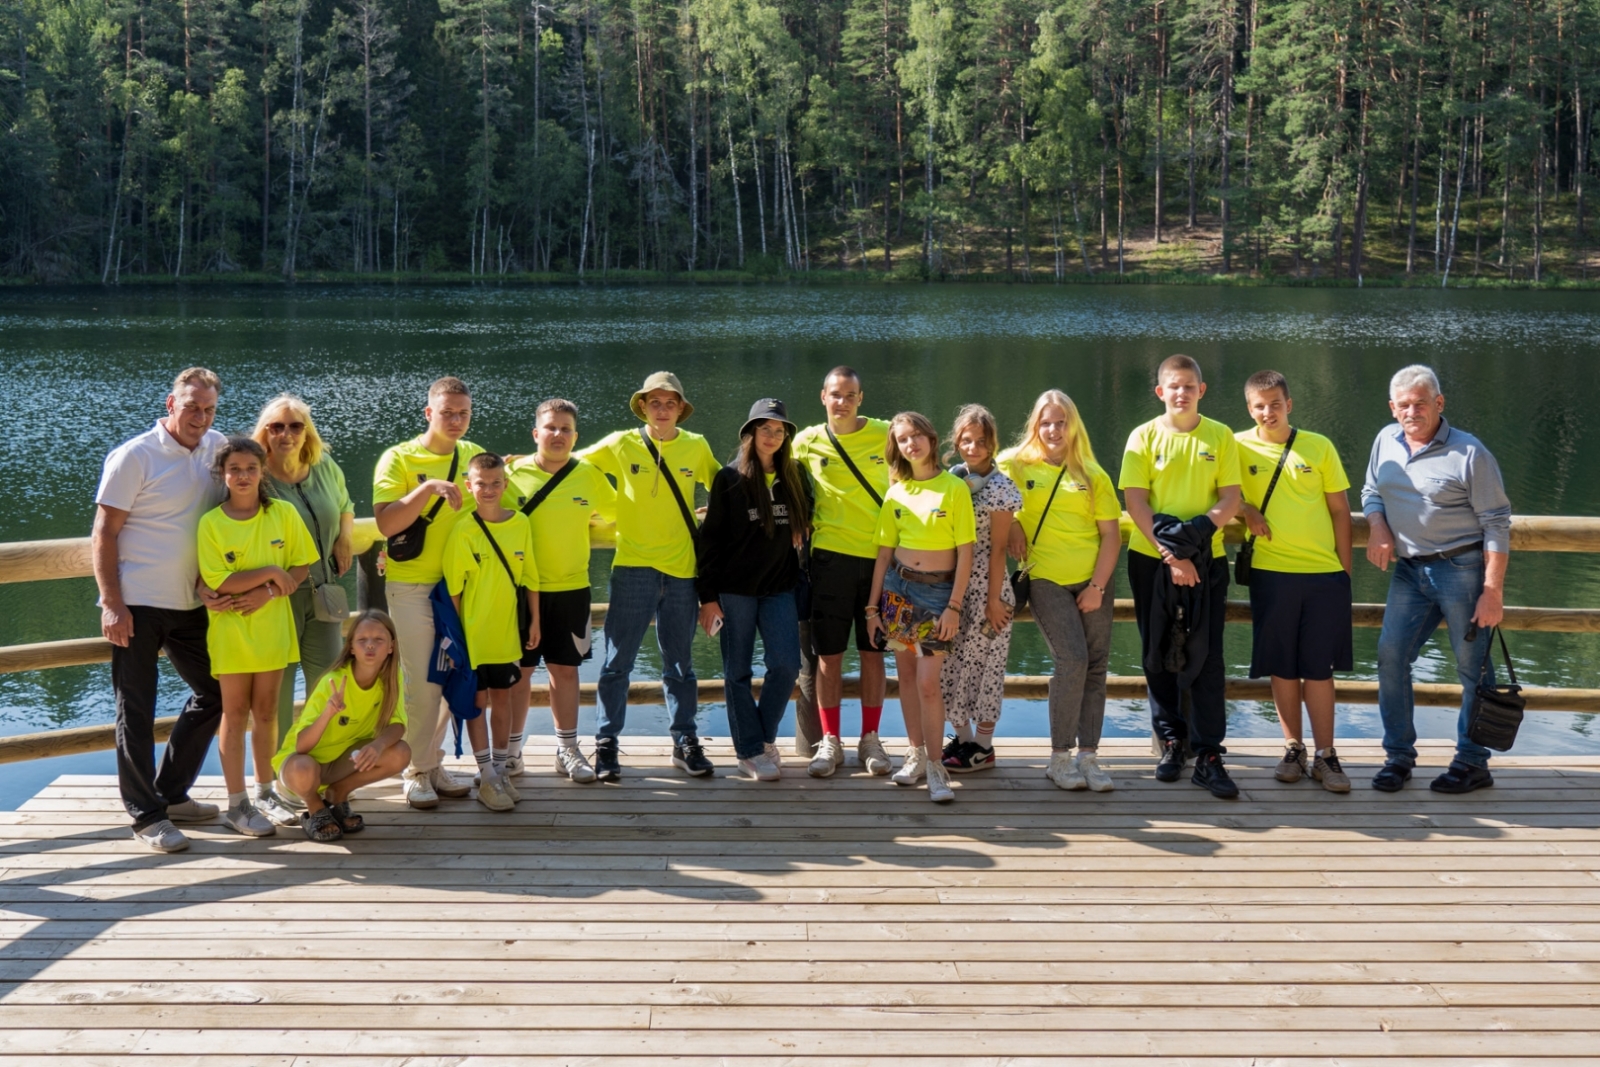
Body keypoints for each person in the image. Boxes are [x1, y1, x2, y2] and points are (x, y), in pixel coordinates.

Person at [93, 367, 229, 853]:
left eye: (209, 408)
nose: (200, 416)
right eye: (192, 405)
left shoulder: (218, 450)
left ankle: (171, 793)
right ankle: (146, 815)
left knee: (216, 691)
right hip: (139, 603)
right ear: (171, 404)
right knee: (136, 708)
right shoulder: (135, 455)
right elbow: (104, 533)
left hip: (193, 603)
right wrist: (112, 603)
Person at [1362, 364, 1511, 794]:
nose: (1412, 412)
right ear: (1393, 408)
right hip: (1408, 572)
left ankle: (1472, 761)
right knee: (1391, 658)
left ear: (1439, 404)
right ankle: (1398, 758)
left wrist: (1492, 590)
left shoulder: (1470, 453)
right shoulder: (1384, 440)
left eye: (1420, 404)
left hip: (1461, 570)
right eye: (1403, 405)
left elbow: (1497, 522)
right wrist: (1377, 525)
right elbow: (1371, 490)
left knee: (1473, 669)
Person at [577, 371, 720, 780]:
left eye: (670, 402)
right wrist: (586, 505)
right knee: (616, 663)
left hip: (681, 571)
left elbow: (725, 486)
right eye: (654, 402)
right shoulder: (621, 443)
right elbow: (571, 465)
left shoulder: (695, 446)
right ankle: (606, 743)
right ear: (643, 406)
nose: (662, 409)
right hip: (633, 568)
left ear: (680, 408)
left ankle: (685, 741)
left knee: (680, 664)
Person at [1120, 354, 1244, 799]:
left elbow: (1231, 498)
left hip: (1206, 559)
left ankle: (1209, 753)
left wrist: (1195, 539)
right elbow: (1136, 504)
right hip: (1151, 559)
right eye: (1174, 386)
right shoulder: (1142, 437)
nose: (1181, 393)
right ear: (1161, 391)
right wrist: (1171, 555)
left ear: (1201, 390)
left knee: (1206, 656)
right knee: (1157, 652)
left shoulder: (1220, 436)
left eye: (1189, 386)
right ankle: (1171, 741)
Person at [1235, 370, 1355, 793]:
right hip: (1271, 572)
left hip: (1324, 574)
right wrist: (1247, 509)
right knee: (1282, 667)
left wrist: (1344, 570)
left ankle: (1326, 755)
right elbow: (1221, 492)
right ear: (1249, 409)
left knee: (1319, 669)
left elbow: (1341, 510)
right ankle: (1293, 748)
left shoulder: (1319, 446)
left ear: (1290, 404)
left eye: (1275, 404)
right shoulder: (1235, 445)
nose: (1268, 412)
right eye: (1259, 406)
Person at [372, 377, 485, 809]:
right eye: (447, 413)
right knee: (421, 681)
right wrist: (426, 489)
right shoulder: (398, 458)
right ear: (428, 413)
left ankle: (432, 762)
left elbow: (506, 498)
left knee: (450, 673)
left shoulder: (473, 456)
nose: (456, 421)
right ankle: (415, 771)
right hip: (412, 585)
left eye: (464, 414)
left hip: (459, 589)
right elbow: (385, 524)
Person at [1000, 391, 1121, 792]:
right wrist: (1014, 523)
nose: (1053, 430)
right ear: (1035, 426)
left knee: (1096, 665)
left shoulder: (1093, 474)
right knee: (1072, 660)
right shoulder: (1016, 465)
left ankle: (1089, 756)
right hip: (1046, 578)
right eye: (1046, 423)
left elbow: (1110, 535)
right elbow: (975, 479)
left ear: (1074, 426)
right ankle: (1059, 757)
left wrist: (1098, 587)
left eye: (1061, 422)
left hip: (1093, 580)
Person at [197, 437, 318, 836]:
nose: (243, 476)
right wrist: (270, 572)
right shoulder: (211, 523)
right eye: (235, 469)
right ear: (222, 474)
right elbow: (218, 579)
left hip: (273, 628)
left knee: (267, 712)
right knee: (234, 714)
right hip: (231, 631)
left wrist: (268, 591)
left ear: (263, 472)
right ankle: (237, 804)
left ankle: (265, 792)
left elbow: (300, 566)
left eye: (251, 468)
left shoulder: (282, 513)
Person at [502, 399, 617, 784]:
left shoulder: (588, 475)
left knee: (564, 671)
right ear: (536, 433)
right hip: (519, 590)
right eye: (550, 428)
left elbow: (621, 513)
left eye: (565, 429)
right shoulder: (511, 474)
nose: (558, 435)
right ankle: (512, 751)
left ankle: (567, 748)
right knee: (519, 672)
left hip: (571, 587)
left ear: (575, 437)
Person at [696, 399, 811, 781]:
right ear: (750, 433)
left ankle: (761, 738)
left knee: (786, 665)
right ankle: (749, 751)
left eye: (779, 430)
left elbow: (807, 514)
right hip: (734, 591)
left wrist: (802, 523)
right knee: (737, 672)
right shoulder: (729, 480)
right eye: (766, 429)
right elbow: (710, 541)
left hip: (779, 587)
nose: (773, 436)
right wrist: (708, 596)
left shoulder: (794, 475)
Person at [865, 412, 976, 804]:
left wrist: (955, 606)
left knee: (929, 684)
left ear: (930, 438)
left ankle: (935, 764)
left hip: (937, 597)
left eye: (916, 436)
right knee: (908, 678)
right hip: (897, 593)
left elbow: (966, 554)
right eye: (903, 439)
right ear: (897, 447)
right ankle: (914, 754)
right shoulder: (896, 492)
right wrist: (872, 608)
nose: (911, 444)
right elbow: (883, 554)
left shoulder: (954, 488)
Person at [254, 394, 355, 822]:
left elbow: (346, 505)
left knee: (328, 687)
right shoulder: (255, 476)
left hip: (324, 592)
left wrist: (345, 536)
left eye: (295, 426)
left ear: (307, 432)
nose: (286, 434)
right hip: (275, 597)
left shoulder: (324, 467)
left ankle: (320, 775)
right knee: (274, 691)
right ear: (264, 432)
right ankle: (278, 783)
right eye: (276, 427)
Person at [792, 367, 894, 778]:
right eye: (836, 394)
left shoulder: (887, 434)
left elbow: (928, 471)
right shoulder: (805, 442)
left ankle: (870, 739)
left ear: (860, 398)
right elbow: (768, 475)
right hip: (829, 561)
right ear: (823, 397)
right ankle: (830, 741)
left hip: (879, 563)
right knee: (828, 658)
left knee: (874, 655)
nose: (842, 402)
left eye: (850, 395)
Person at [443, 453, 541, 812]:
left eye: (495, 483)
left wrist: (535, 621)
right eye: (480, 483)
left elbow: (531, 577)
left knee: (504, 700)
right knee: (477, 704)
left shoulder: (521, 524)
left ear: (505, 484)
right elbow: (454, 591)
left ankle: (500, 769)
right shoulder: (463, 529)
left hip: (506, 634)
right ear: (469, 485)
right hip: (474, 636)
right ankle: (485, 773)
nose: (488, 489)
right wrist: (459, 639)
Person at [274, 610, 411, 843]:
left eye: (378, 640)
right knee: (303, 768)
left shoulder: (391, 677)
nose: (370, 646)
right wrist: (328, 713)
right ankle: (315, 807)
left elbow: (397, 723)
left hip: (343, 764)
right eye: (362, 640)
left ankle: (338, 792)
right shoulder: (334, 681)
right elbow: (302, 746)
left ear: (391, 646)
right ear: (351, 648)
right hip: (303, 767)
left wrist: (378, 745)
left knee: (400, 753)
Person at [938, 405, 1021, 773]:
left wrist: (992, 601)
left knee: (986, 668)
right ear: (956, 443)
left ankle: (983, 747)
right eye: (966, 440)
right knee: (950, 666)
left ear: (992, 445)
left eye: (981, 442)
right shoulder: (953, 480)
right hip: (956, 587)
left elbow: (1000, 548)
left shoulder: (1001, 487)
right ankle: (964, 738)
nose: (973, 447)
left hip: (990, 588)